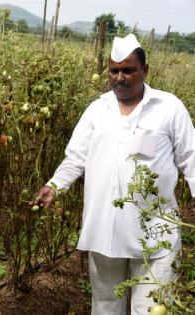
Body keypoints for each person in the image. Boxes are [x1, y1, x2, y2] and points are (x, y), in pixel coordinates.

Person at [35, 34, 195, 315]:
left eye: (128, 70)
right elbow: (76, 158)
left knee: (153, 308)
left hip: (156, 232)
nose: (120, 77)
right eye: (114, 70)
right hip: (104, 229)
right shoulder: (98, 109)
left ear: (145, 71)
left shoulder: (168, 108)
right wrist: (55, 185)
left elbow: (190, 157)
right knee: (106, 305)